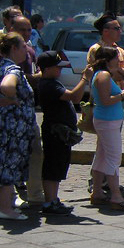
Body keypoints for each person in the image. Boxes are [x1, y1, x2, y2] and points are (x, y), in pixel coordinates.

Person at [0, 32, 37, 221]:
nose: (26, 49)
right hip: (13, 128)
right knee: (9, 164)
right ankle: (6, 209)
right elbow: (6, 87)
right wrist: (14, 100)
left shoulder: (1, 66)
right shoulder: (13, 70)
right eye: (23, 46)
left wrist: (3, 101)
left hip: (2, 123)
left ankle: (0, 207)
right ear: (14, 48)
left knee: (0, 164)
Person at [36, 50, 88, 215]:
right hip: (55, 130)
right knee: (53, 165)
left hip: (60, 130)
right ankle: (49, 202)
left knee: (59, 165)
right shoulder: (49, 84)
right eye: (57, 67)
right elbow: (74, 97)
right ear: (47, 68)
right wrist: (85, 78)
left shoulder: (52, 82)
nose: (60, 70)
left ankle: (53, 199)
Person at [89, 47, 124, 211]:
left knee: (102, 156)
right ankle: (116, 196)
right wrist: (123, 95)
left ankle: (97, 192)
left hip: (107, 121)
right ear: (108, 59)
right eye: (117, 58)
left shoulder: (102, 74)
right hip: (108, 121)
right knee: (113, 157)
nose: (119, 61)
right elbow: (105, 100)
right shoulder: (103, 75)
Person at [87, 13, 124, 80]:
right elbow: (98, 75)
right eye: (117, 28)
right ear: (105, 31)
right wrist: (123, 74)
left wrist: (118, 69)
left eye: (120, 28)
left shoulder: (120, 50)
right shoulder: (96, 49)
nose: (120, 31)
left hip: (121, 90)